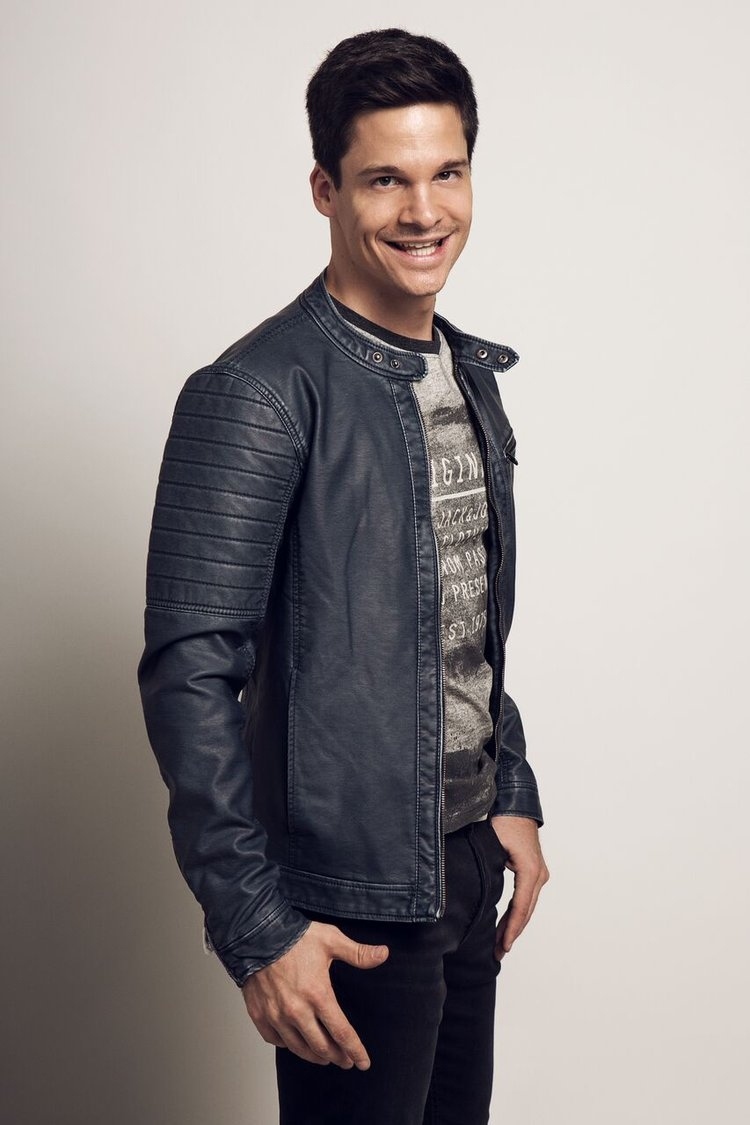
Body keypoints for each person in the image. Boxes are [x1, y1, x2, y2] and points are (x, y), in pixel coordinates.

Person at [137, 27, 549, 1125]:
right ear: (325, 189)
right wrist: (254, 925)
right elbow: (189, 675)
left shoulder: (469, 376)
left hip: (465, 866)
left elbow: (459, 622)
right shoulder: (257, 392)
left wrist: (506, 793)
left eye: (447, 173)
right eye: (384, 180)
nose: (424, 211)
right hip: (349, 901)